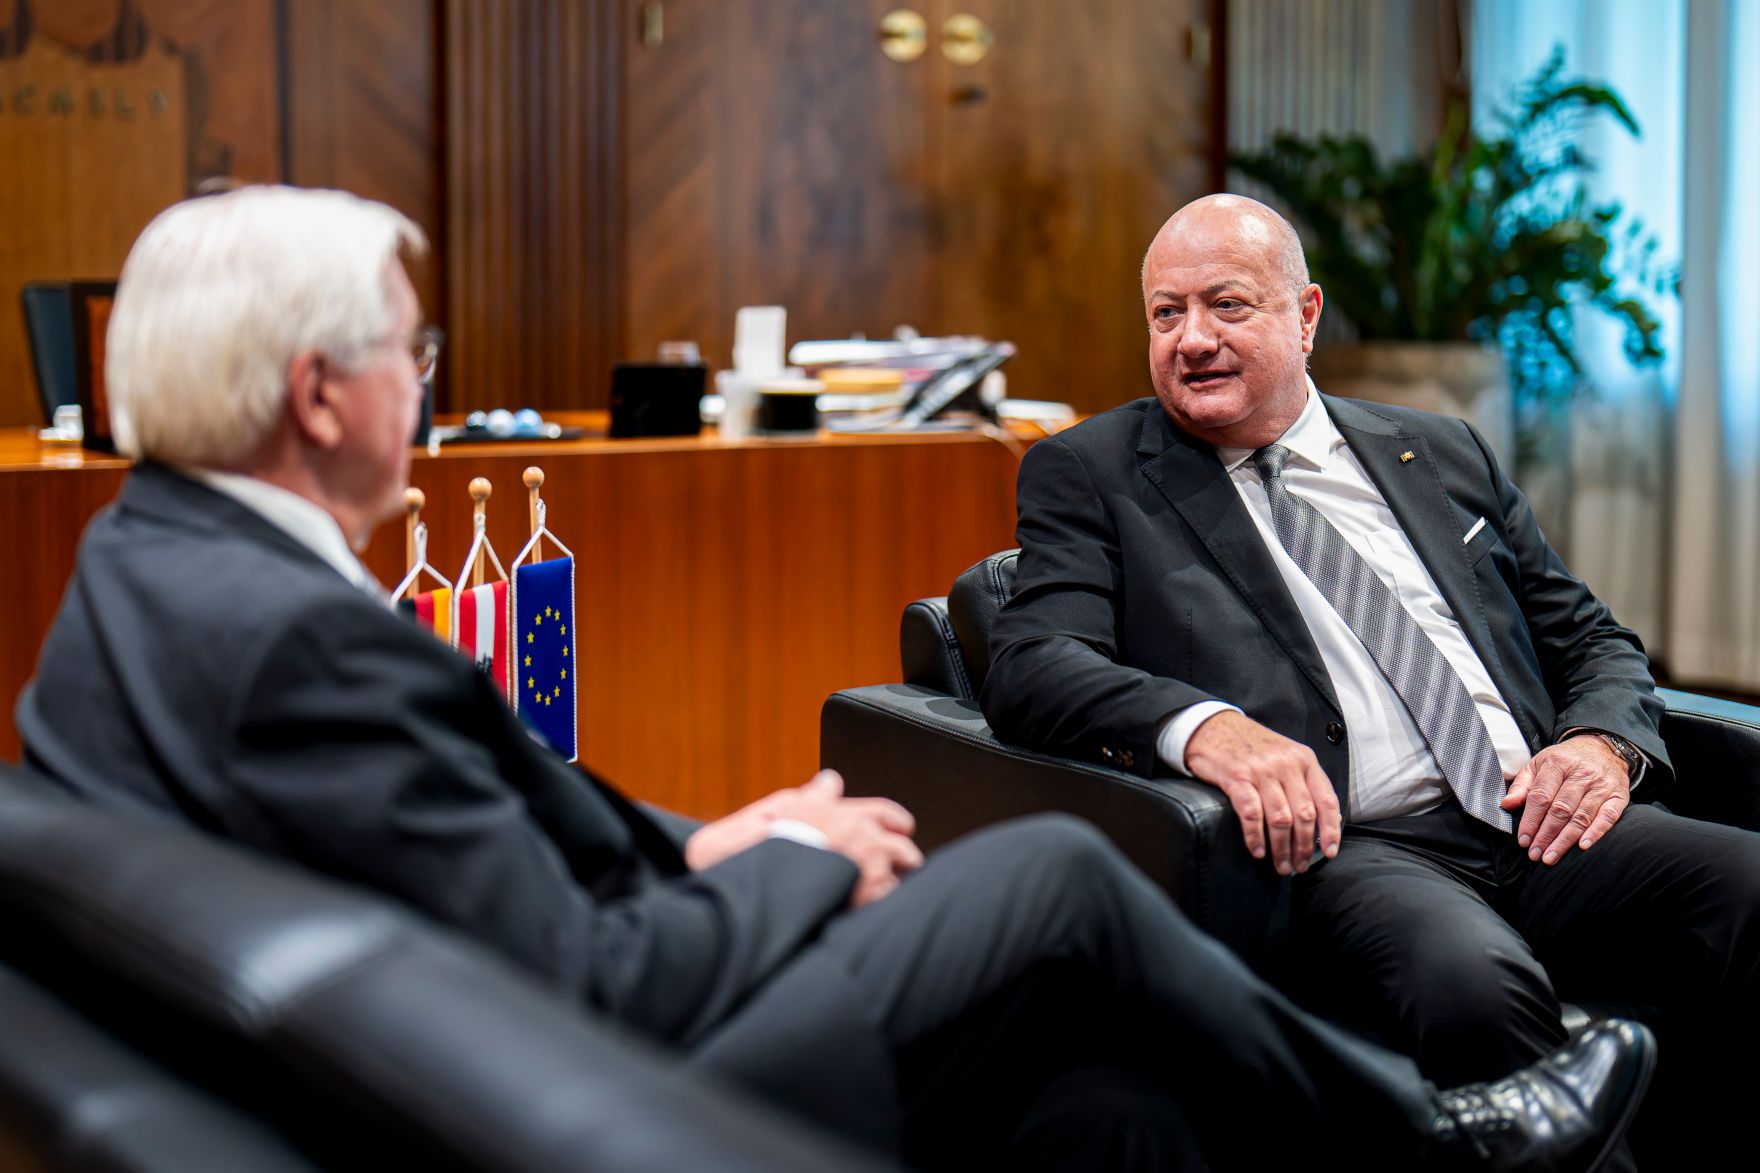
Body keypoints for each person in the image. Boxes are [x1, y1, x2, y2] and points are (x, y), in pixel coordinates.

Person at [19, 185, 1655, 1173]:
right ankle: (1433, 1139)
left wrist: (702, 843)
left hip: (484, 1032)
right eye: (412, 353)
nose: (420, 384)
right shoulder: (299, 633)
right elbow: (603, 985)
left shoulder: (146, 569)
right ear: (320, 394)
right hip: (599, 1088)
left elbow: (457, 847)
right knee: (1047, 877)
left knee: (1103, 1115)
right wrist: (794, 860)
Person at [982, 193, 1760, 1150]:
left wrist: (1600, 744)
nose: (1191, 340)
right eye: (1165, 313)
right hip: (1361, 845)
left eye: (1226, 305)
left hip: (1535, 812)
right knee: (1470, 986)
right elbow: (1032, 661)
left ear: (1305, 316)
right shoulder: (1092, 472)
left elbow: (1591, 637)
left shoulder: (1439, 448)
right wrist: (1204, 727)